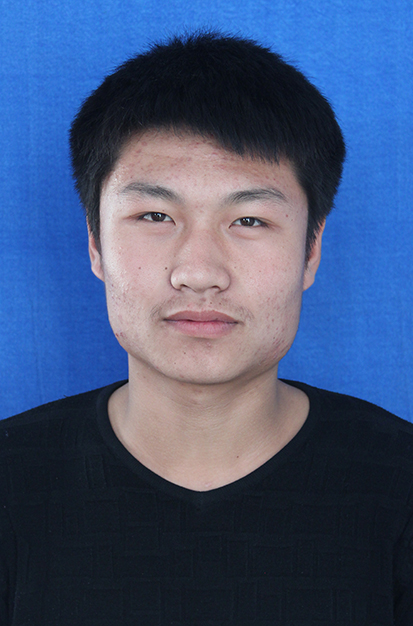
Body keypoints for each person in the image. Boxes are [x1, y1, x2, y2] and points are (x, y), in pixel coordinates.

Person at [1, 30, 412, 625]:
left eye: (249, 219)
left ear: (312, 250)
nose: (198, 273)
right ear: (95, 244)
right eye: (154, 215)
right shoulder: (13, 483)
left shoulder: (398, 486)